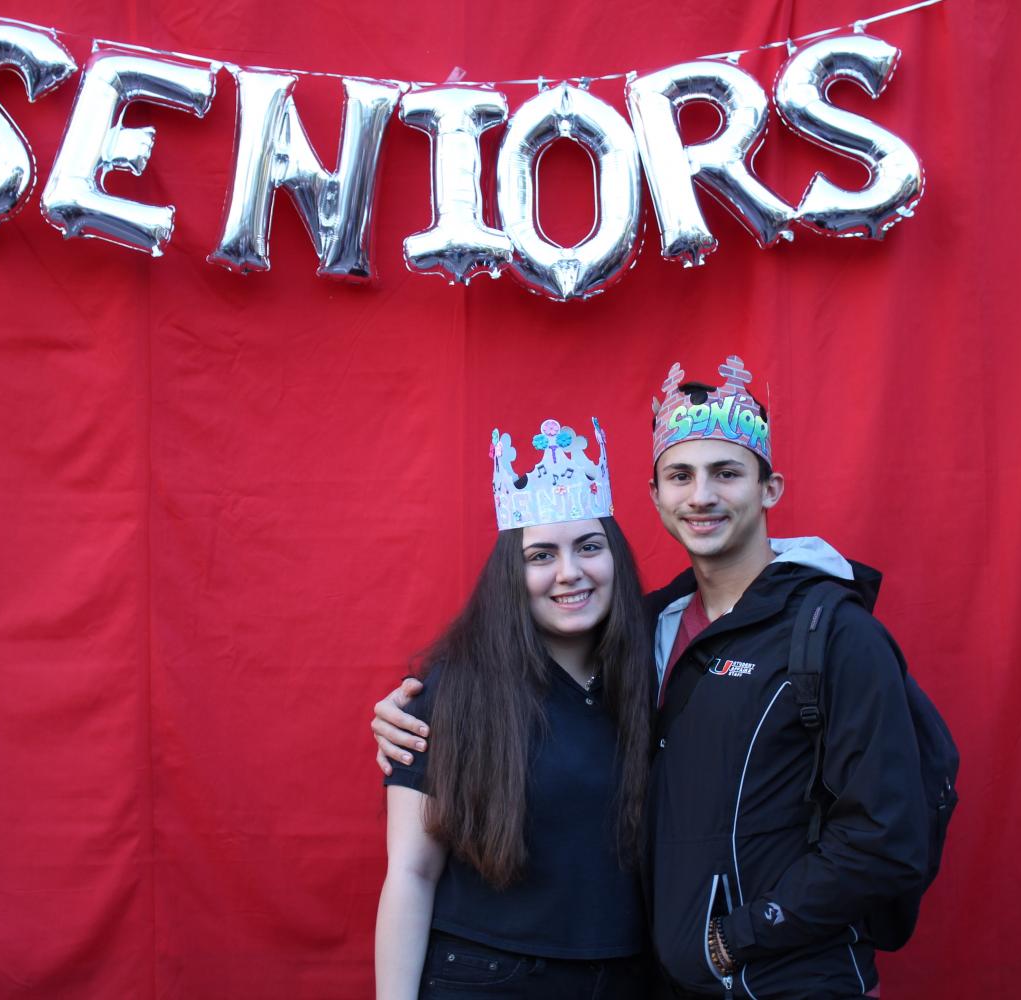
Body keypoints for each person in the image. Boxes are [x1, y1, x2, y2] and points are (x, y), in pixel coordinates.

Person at [375, 356, 929, 999]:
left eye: (726, 473)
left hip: (746, 973)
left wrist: (734, 938)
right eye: (681, 476)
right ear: (656, 495)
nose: (701, 496)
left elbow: (885, 831)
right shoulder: (630, 644)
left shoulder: (808, 634)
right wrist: (410, 714)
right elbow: (413, 868)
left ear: (768, 488)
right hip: (523, 977)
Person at [374, 416, 652, 1000]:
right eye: (541, 555)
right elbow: (411, 872)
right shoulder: (453, 692)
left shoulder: (658, 671)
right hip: (488, 978)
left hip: (633, 977)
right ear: (511, 573)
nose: (570, 573)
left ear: (615, 559)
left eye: (589, 547)